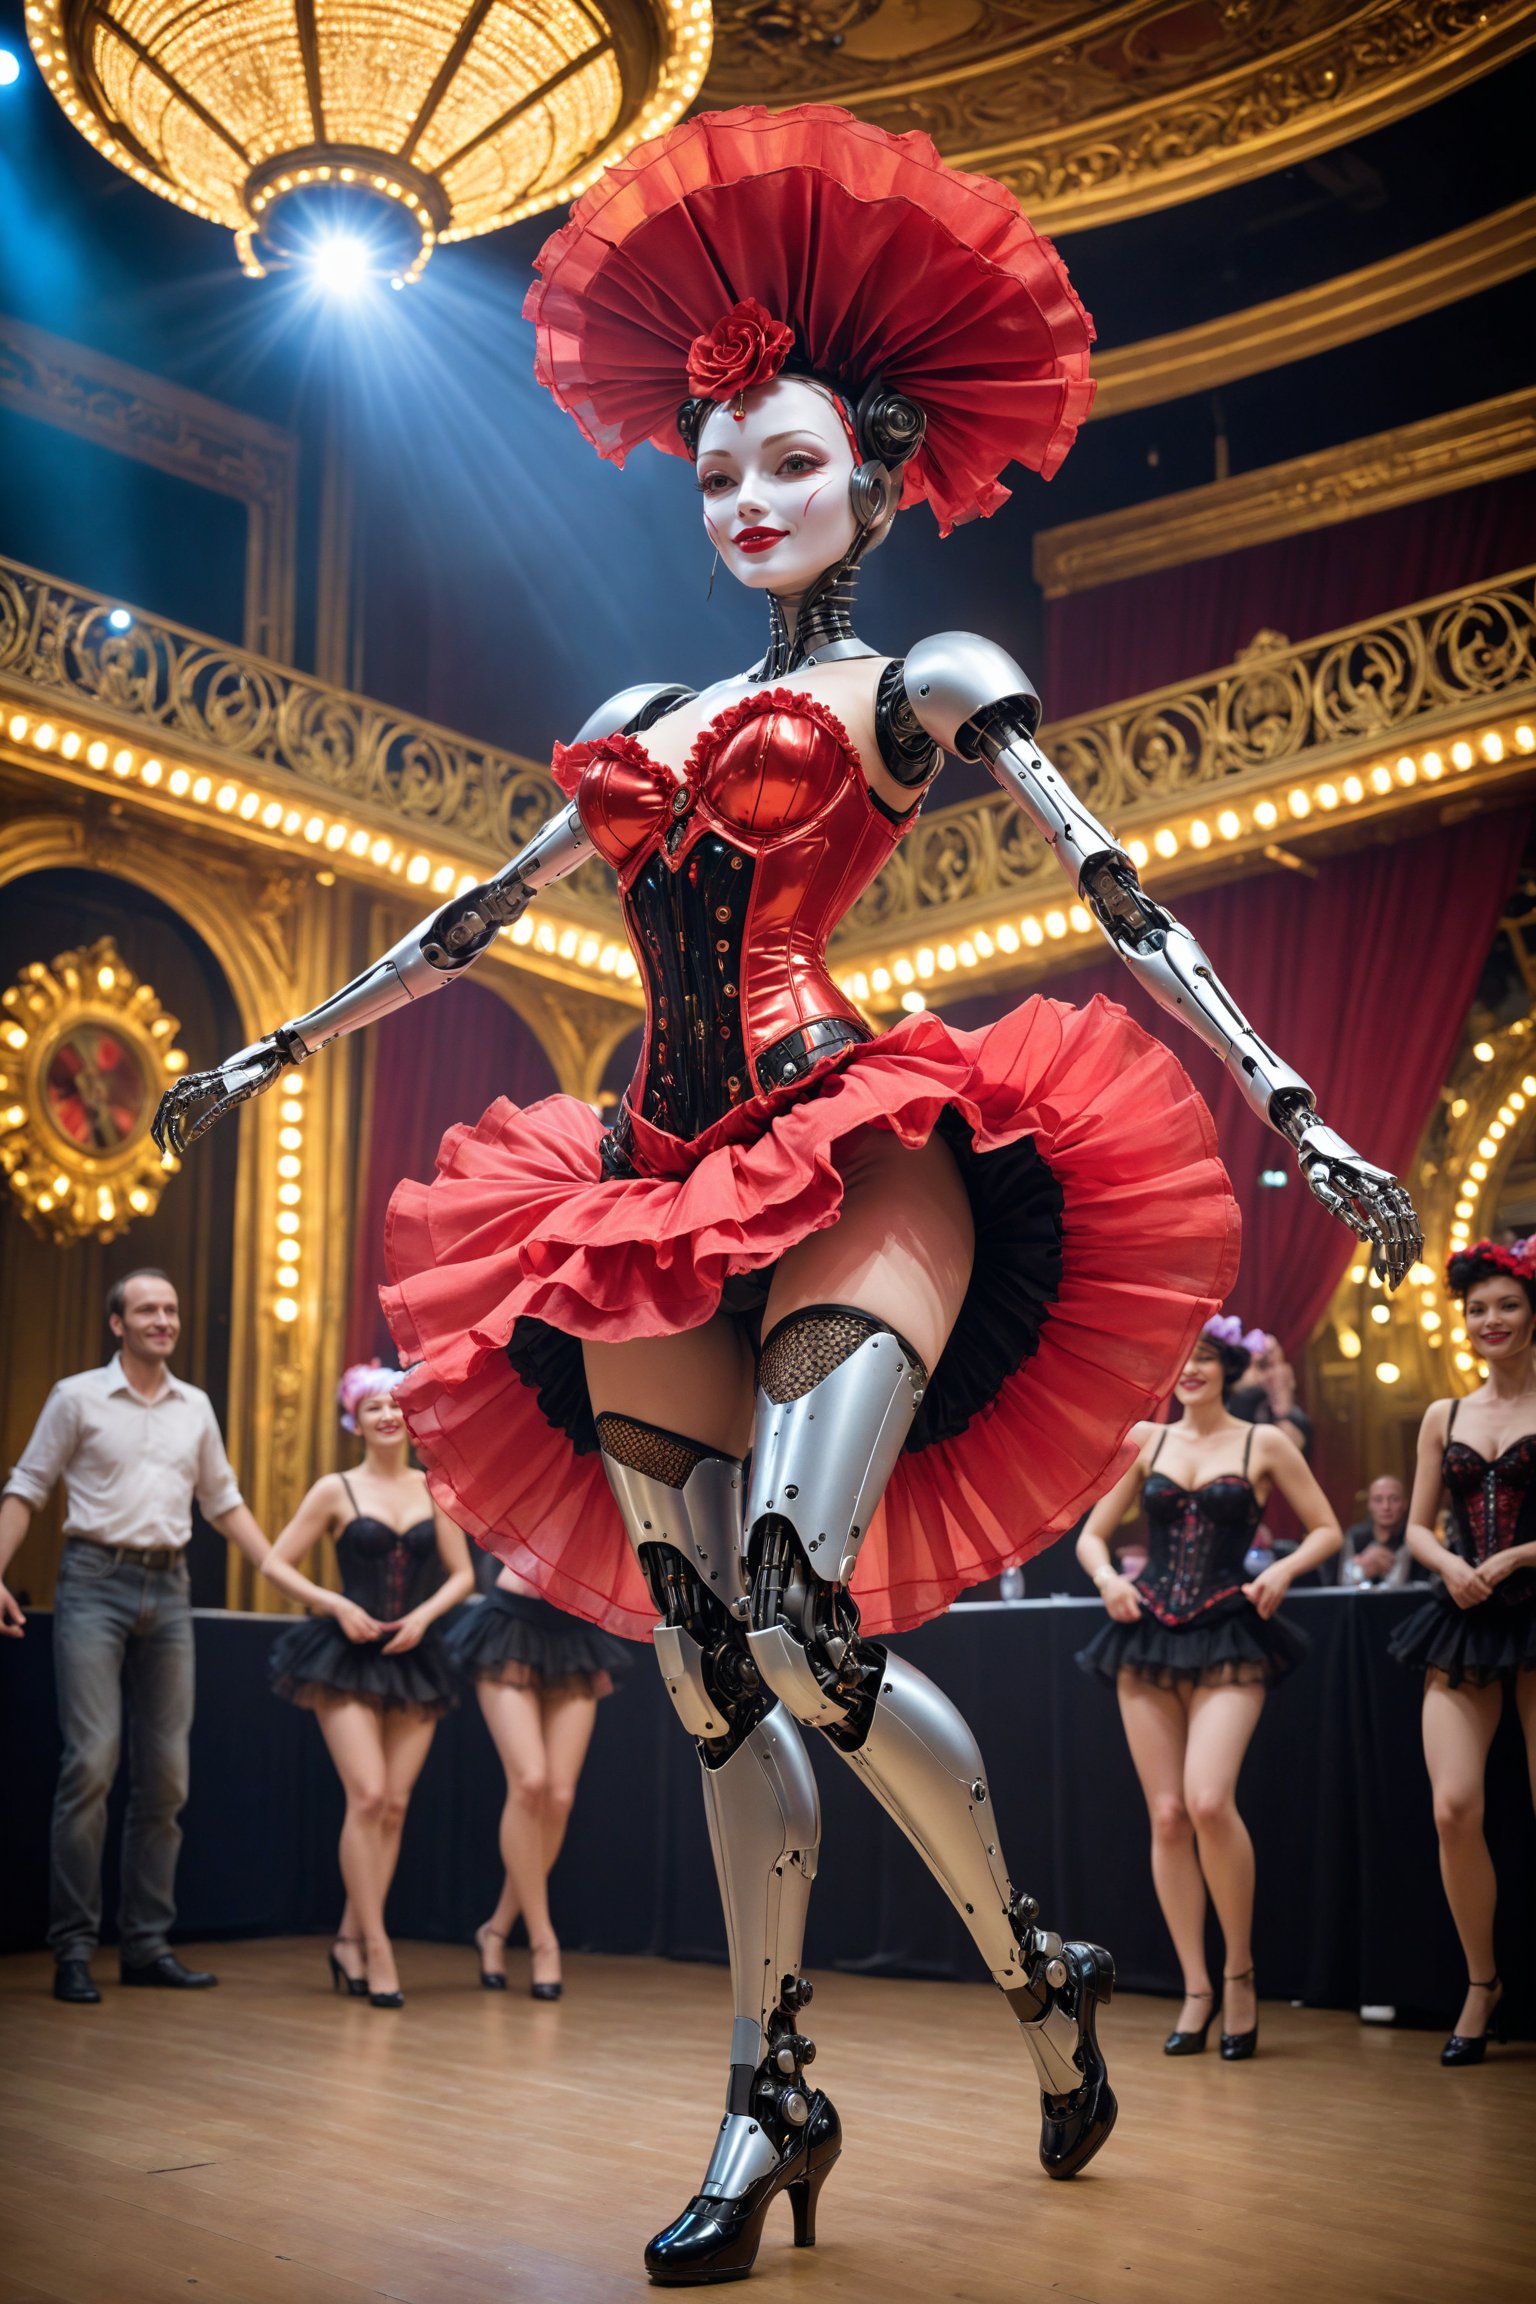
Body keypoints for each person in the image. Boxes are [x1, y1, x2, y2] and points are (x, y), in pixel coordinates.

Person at [154, 105, 1419, 2282]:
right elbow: (471, 922)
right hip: (646, 1181)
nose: (747, 497)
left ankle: (1032, 1961)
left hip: (855, 1142)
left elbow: (1111, 890)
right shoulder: (644, 709)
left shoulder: (917, 682)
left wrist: (1292, 1090)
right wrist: (275, 1043)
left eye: (792, 463)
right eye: (721, 465)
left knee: (804, 1608)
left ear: (882, 476)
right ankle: (774, 2089)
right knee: (713, 1670)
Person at [0, 1269, 271, 2004]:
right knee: (90, 1762)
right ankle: (74, 1949)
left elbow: (224, 1502)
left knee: (168, 1778)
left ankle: (147, 1946)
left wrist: (280, 1570)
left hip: (171, 1588)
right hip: (94, 1581)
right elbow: (25, 1489)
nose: (163, 1320)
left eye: (171, 1310)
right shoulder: (77, 1397)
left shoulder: (195, 1408)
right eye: (147, 1309)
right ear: (116, 1323)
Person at [1075, 1318, 1342, 2060]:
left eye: (1202, 1357)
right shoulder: (1146, 1441)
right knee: (1166, 1816)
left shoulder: (1265, 1443)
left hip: (1230, 1628)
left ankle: (1240, 1973)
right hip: (1148, 1631)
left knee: (1207, 1800)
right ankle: (1196, 1988)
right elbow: (1092, 1535)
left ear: (1228, 1366)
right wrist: (1106, 1580)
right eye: (1177, 1356)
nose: (1188, 1369)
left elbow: (1326, 1530)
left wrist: (1281, 1570)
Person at [261, 1363, 474, 2006]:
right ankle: (377, 1947)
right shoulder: (335, 1489)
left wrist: (423, 1616)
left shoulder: (438, 1487)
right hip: (344, 1654)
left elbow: (464, 1577)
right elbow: (275, 1562)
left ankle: (349, 1938)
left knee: (395, 1805)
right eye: (373, 1406)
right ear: (354, 1418)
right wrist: (335, 1605)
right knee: (368, 1794)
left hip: (414, 1653)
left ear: (410, 1417)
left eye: (395, 1405)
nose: (386, 1415)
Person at [1388, 1237, 1536, 2065]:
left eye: (1506, 1306)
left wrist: (1517, 1556)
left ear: (1532, 1312)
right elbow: (1414, 1525)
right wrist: (1450, 1564)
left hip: (1533, 1603)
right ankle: (1482, 1984)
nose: (1490, 1321)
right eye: (1477, 1309)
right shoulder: (1443, 1415)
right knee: (1453, 1807)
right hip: (1462, 1615)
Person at [445, 1555, 630, 1998]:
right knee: (529, 1782)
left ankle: (495, 1930)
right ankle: (543, 1940)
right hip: (512, 1622)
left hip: (575, 1628)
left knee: (560, 1796)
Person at [1227, 1331, 1312, 1455]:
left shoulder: (1294, 1417)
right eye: (1247, 1365)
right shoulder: (1224, 1406)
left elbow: (1287, 1453)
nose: (1253, 1374)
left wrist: (1281, 1392)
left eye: (1263, 1365)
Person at [1340, 1474, 1413, 1587]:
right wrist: (1363, 1568)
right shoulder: (1355, 1537)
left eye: (1394, 1499)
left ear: (1405, 1504)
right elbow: (1343, 1584)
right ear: (1369, 1505)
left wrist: (1399, 1562)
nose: (1386, 1507)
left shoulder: (1413, 1537)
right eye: (1378, 1500)